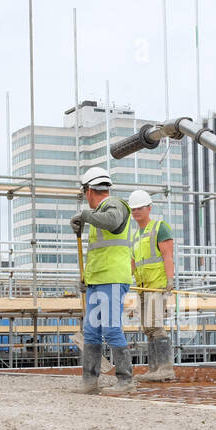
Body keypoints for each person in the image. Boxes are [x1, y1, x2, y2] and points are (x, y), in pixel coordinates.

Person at [70, 167, 134, 395]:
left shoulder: (113, 204)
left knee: (111, 328)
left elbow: (113, 221)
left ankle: (126, 380)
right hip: (99, 280)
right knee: (91, 330)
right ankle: (90, 381)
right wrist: (86, 280)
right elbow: (99, 253)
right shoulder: (99, 212)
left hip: (113, 279)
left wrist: (84, 216)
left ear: (88, 191)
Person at [127, 189, 177, 382]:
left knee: (155, 325)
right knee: (148, 327)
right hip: (142, 287)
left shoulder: (160, 228)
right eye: (133, 209)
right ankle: (155, 369)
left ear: (149, 208)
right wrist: (125, 280)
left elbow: (167, 256)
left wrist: (169, 281)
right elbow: (133, 262)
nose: (136, 212)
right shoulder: (136, 235)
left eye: (140, 208)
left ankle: (165, 369)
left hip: (157, 285)